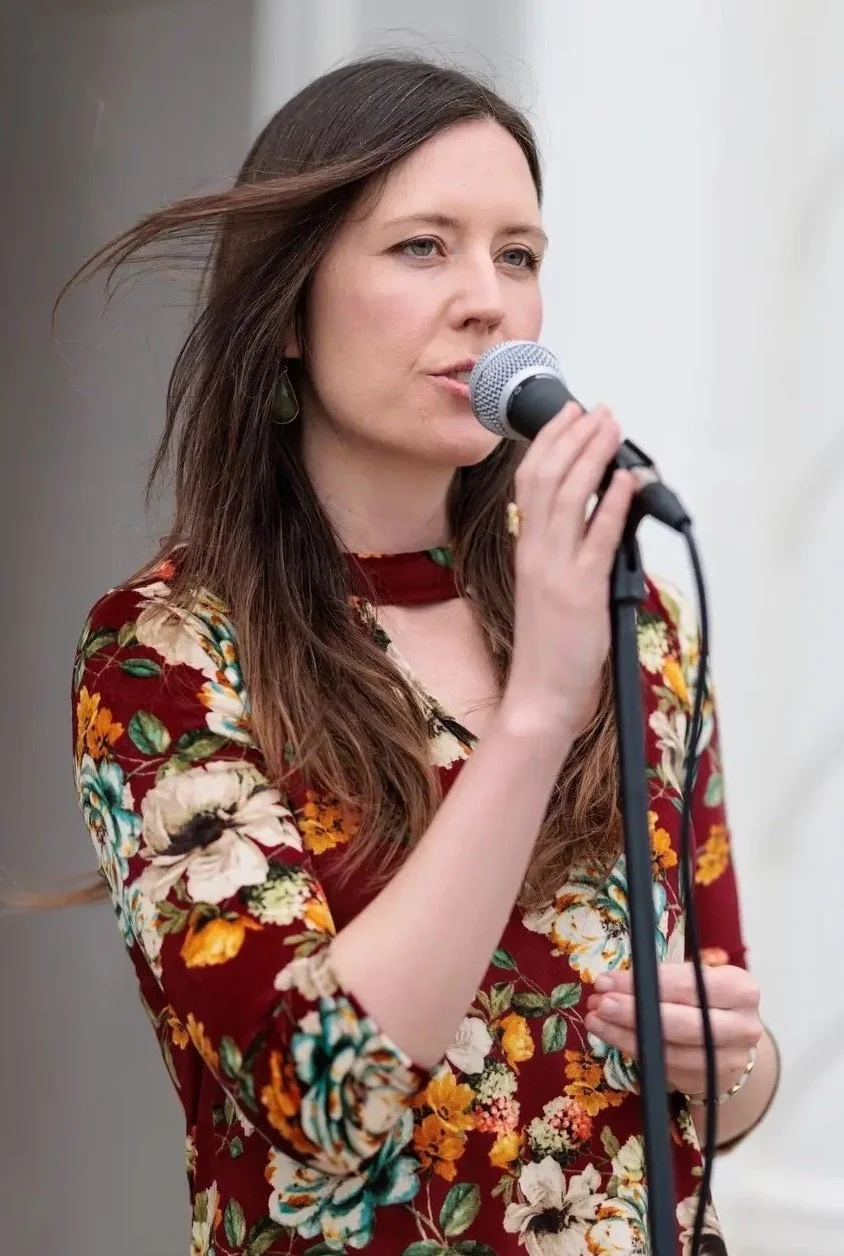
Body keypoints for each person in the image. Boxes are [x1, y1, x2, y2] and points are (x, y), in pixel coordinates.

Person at [70, 55, 779, 1256]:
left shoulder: (628, 615)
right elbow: (321, 1096)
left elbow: (723, 1079)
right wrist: (532, 716)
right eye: (420, 248)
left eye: (517, 255)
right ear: (288, 310)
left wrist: (733, 1064)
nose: (487, 300)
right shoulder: (165, 653)